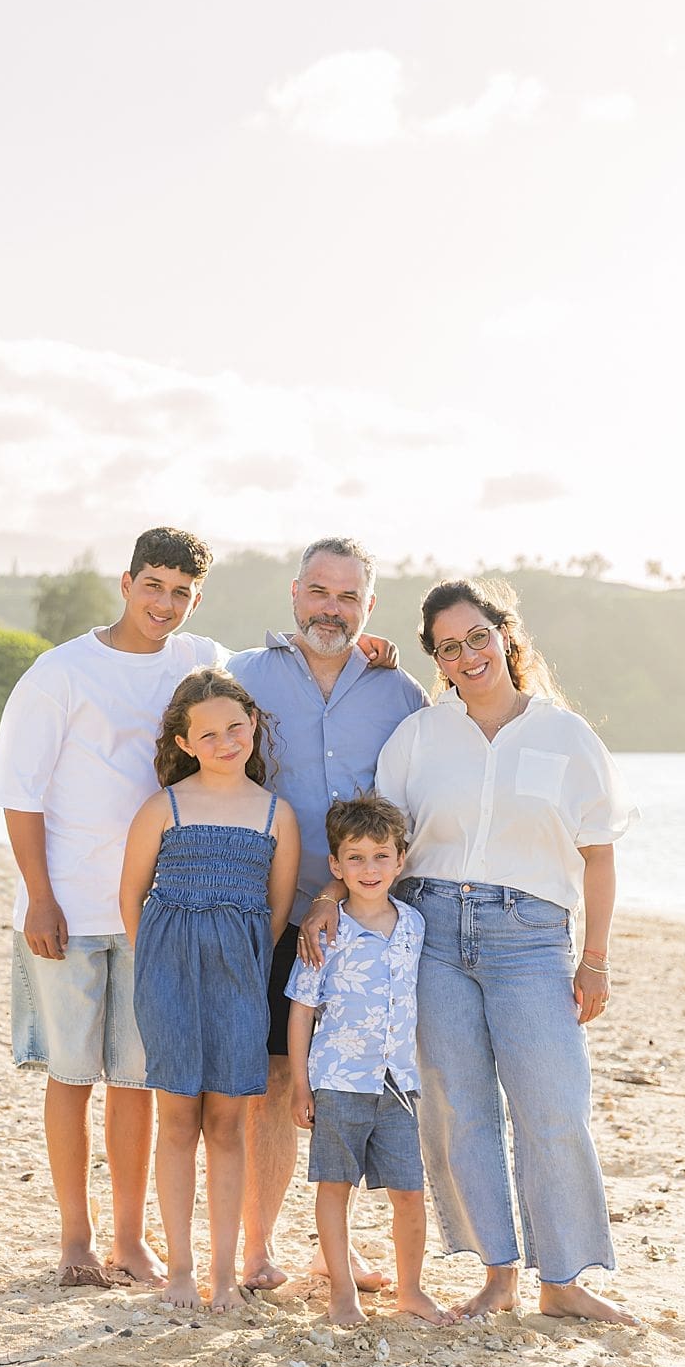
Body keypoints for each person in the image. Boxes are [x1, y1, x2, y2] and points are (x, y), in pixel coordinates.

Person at [372, 576, 640, 1324]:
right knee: (459, 1109)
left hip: (531, 938)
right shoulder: (418, 737)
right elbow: (383, 840)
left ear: (505, 635)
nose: (468, 656)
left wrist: (595, 959)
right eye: (448, 648)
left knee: (554, 1105)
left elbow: (598, 853)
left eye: (478, 638)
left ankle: (563, 1281)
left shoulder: (566, 735)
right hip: (432, 932)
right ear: (436, 660)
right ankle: (498, 1275)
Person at [0, 525, 227, 1288]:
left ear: (195, 600)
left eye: (182, 592)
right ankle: (75, 1241)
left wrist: (366, 649)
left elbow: (269, 673)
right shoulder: (60, 672)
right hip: (67, 907)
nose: (165, 603)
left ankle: (130, 1239)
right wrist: (40, 898)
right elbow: (19, 793)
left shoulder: (197, 660)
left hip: (156, 912)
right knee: (71, 1075)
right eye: (153, 585)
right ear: (126, 584)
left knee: (134, 1080)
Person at [228, 537, 428, 1291]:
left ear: (370, 607)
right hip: (267, 912)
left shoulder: (399, 692)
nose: (332, 610)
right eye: (319, 592)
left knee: (357, 1081)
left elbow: (413, 806)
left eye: (349, 597)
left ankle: (334, 1248)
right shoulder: (243, 676)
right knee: (275, 1082)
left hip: (362, 918)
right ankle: (257, 1248)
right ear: (294, 593)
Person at [120, 669, 299, 1311]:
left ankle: (223, 1273)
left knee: (226, 1125)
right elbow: (131, 897)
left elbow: (276, 912)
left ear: (253, 726)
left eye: (235, 728)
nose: (225, 742)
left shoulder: (276, 814)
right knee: (176, 1122)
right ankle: (180, 1271)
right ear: (185, 742)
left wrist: (233, 959)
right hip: (167, 979)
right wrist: (163, 963)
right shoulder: (164, 807)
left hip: (239, 983)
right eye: (208, 734)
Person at [286, 795, 454, 1326]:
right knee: (335, 1187)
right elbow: (301, 1011)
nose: (369, 868)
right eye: (355, 858)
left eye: (381, 856)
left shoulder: (414, 925)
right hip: (338, 1080)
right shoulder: (325, 932)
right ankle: (341, 1292)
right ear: (335, 866)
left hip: (398, 1082)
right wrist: (300, 1086)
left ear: (401, 860)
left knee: (409, 1191)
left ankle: (412, 1291)